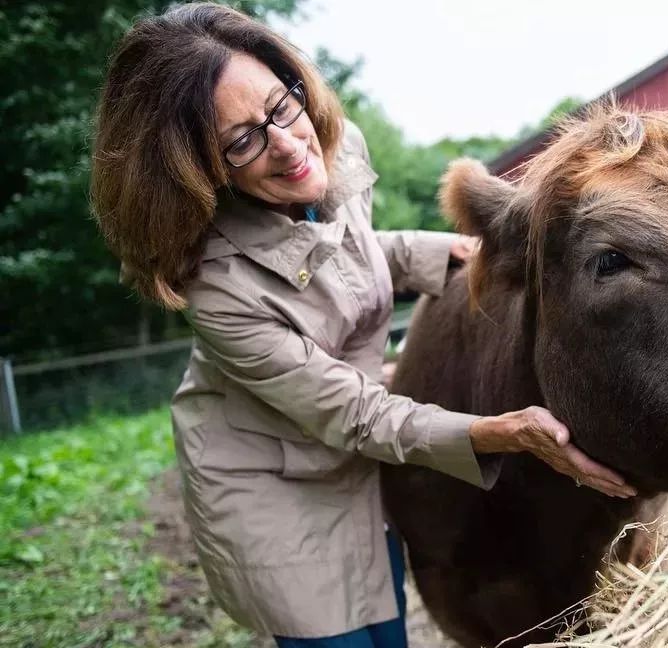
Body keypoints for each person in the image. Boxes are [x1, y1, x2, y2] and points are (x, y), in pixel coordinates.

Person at [89, 4, 636, 646]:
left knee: (386, 628)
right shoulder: (216, 287)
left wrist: (441, 252)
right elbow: (359, 417)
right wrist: (503, 431)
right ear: (200, 174)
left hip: (351, 462)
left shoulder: (332, 148)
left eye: (280, 104)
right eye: (242, 141)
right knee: (339, 634)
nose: (289, 145)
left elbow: (346, 246)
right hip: (277, 486)